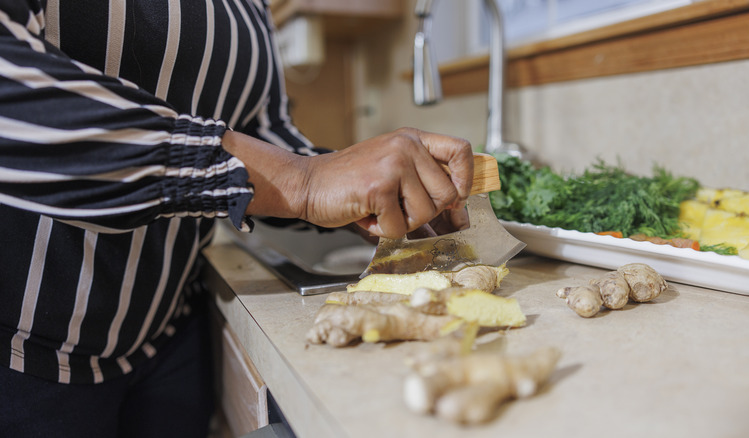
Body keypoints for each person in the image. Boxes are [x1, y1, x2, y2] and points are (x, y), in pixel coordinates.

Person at [0, 1, 474, 437]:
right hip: (25, 361)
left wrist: (350, 187)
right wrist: (303, 181)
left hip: (172, 336)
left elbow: (263, 128)